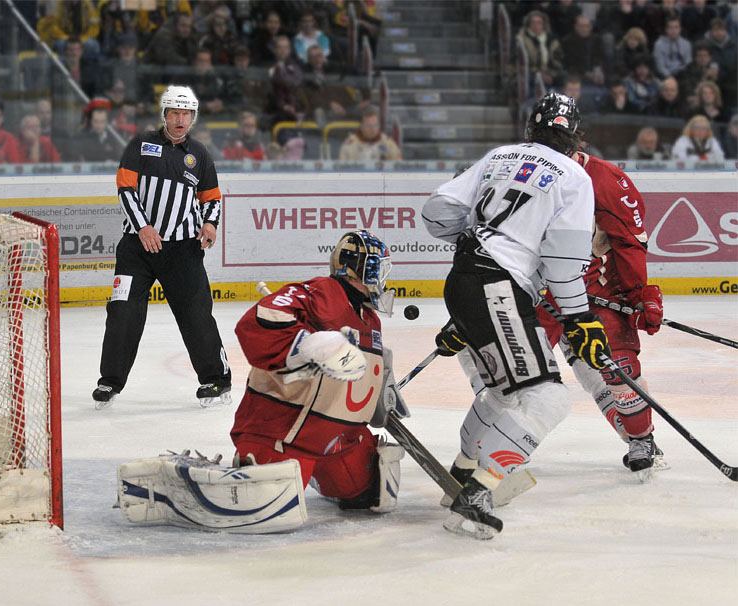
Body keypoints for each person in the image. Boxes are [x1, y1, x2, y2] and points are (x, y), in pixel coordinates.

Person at [422, 92, 601, 539]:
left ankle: (463, 472)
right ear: (574, 135)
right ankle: (478, 492)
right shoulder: (576, 176)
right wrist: (581, 321)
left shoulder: (500, 155)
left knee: (503, 392)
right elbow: (562, 265)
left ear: (531, 128)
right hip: (498, 286)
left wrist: (484, 237)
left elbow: (436, 212)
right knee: (546, 399)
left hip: (462, 277)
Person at [228, 231, 404, 518]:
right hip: (283, 434)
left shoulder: (369, 318)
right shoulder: (322, 292)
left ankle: (328, 467)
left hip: (340, 442)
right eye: (378, 269)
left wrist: (381, 391)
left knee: (372, 493)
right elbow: (258, 321)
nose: (382, 280)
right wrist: (312, 346)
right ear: (361, 268)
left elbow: (361, 371)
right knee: (266, 509)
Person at [93, 85, 231, 408]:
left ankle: (216, 380)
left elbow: (211, 198)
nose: (181, 120)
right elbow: (125, 189)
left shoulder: (200, 155)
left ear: (193, 117)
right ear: (164, 115)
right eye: (175, 113)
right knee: (122, 311)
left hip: (183, 249)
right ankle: (108, 382)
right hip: (137, 248)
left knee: (196, 314)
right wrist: (142, 227)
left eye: (186, 114)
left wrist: (210, 224)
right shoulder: (141, 145)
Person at [534, 151, 666, 478]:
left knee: (618, 368)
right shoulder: (524, 173)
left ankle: (640, 438)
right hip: (541, 289)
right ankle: (500, 446)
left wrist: (638, 292)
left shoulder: (605, 178)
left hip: (599, 290)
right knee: (521, 368)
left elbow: (628, 241)